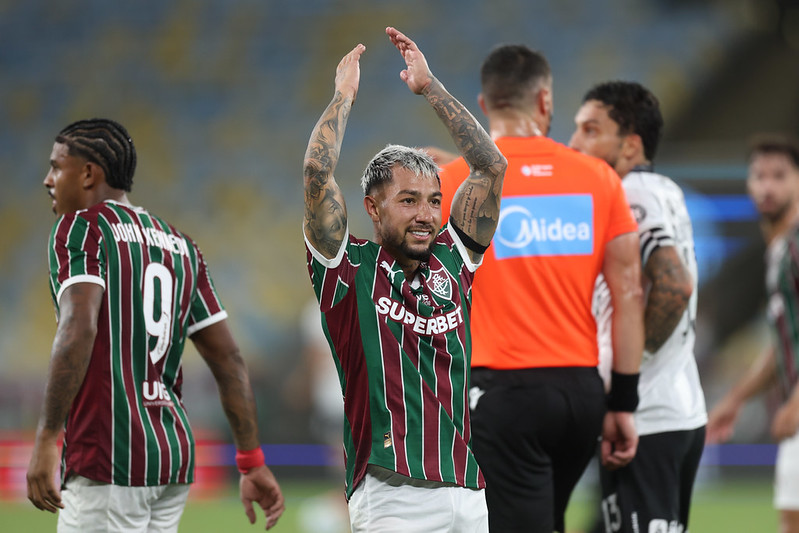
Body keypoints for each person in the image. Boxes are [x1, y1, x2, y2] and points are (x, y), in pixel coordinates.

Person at [26, 118, 284, 532]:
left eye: (57, 167)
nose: (48, 180)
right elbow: (229, 357)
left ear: (89, 173)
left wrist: (45, 440)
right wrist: (251, 461)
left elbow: (78, 328)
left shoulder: (81, 229)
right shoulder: (182, 246)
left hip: (110, 455)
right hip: (171, 457)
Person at [302, 27, 506, 532]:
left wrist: (430, 87)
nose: (426, 214)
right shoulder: (346, 270)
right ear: (372, 207)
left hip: (468, 489)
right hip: (393, 494)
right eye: (409, 200)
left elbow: (491, 166)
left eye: (434, 201)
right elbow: (316, 174)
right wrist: (342, 96)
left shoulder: (453, 261)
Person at [438, 45, 644, 533]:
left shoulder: (453, 182)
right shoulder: (599, 179)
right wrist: (624, 403)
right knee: (546, 517)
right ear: (545, 101)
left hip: (503, 392)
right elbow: (630, 296)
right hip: (581, 396)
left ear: (485, 106)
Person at [569, 81, 707, 533]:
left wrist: (630, 368)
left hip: (647, 416)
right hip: (674, 406)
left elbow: (674, 286)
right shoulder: (663, 189)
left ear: (629, 145)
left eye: (591, 130)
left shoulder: (631, 193)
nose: (575, 144)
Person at [706, 134, 799, 533]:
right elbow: (785, 341)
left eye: (780, 175)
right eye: (759, 175)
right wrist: (736, 398)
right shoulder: (778, 250)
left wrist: (796, 402)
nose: (767, 185)